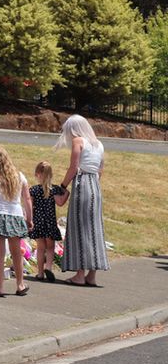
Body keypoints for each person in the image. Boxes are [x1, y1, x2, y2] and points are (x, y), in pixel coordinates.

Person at [56, 115, 108, 286]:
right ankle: (91, 275)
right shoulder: (98, 144)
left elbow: (74, 167)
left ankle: (79, 274)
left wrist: (63, 185)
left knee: (79, 227)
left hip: (83, 183)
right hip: (95, 186)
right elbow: (100, 170)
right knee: (94, 227)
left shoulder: (79, 141)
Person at [0, 145, 34, 297]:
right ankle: (20, 284)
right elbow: (27, 199)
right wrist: (29, 219)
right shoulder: (19, 176)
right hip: (16, 215)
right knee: (17, 253)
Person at [29, 161, 68, 282]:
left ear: (37, 174)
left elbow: (30, 205)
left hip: (38, 221)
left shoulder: (34, 190)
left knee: (40, 248)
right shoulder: (54, 190)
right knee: (50, 247)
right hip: (50, 221)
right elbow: (60, 203)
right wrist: (66, 193)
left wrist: (29, 219)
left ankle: (40, 273)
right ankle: (49, 268)